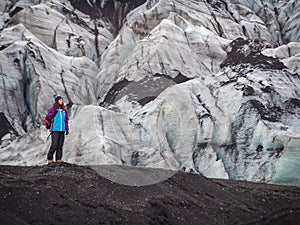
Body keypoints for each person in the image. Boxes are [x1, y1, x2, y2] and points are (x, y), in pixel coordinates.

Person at [45, 95, 69, 164]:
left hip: (62, 130)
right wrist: (53, 112)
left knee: (60, 145)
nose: (61, 101)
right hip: (55, 129)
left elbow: (66, 120)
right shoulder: (53, 109)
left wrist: (66, 129)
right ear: (57, 101)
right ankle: (50, 158)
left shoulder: (64, 111)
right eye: (60, 100)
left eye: (62, 100)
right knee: (54, 144)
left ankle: (58, 159)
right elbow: (48, 117)